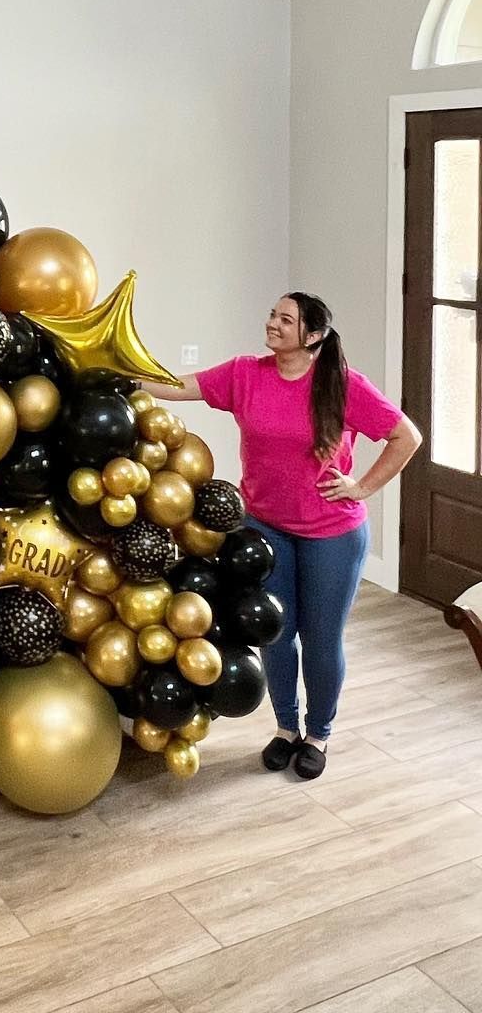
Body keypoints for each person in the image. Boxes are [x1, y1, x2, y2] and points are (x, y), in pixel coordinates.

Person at [142, 293, 421, 779]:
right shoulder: (246, 373)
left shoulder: (342, 385)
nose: (272, 324)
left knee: (319, 638)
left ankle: (318, 735)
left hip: (331, 534)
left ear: (312, 336)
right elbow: (179, 386)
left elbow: (406, 437)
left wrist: (362, 487)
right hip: (265, 528)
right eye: (273, 314)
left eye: (285, 319)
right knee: (275, 634)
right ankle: (286, 728)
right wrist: (124, 378)